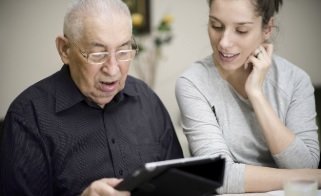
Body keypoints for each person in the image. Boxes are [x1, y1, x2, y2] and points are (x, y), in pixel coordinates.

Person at [0, 0, 183, 195]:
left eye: (123, 51)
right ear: (64, 50)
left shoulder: (147, 101)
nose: (113, 69)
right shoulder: (28, 117)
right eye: (98, 53)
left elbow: (181, 183)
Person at [175, 0, 321, 194]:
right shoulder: (193, 82)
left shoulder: (296, 81)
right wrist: (311, 177)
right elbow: (217, 175)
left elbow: (306, 164)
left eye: (241, 30)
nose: (224, 42)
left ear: (267, 28)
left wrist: (256, 94)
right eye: (216, 26)